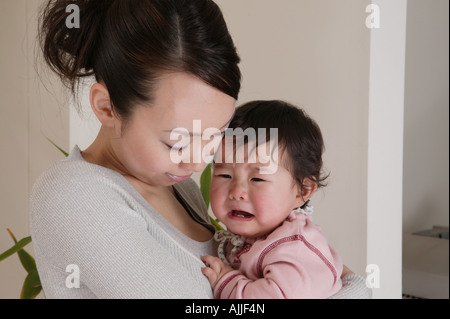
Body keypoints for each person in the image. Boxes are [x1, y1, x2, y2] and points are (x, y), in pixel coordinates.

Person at [31, 0, 370, 299]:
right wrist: (358, 289)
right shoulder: (73, 194)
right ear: (107, 107)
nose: (196, 163)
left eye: (214, 136)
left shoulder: (179, 186)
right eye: (177, 141)